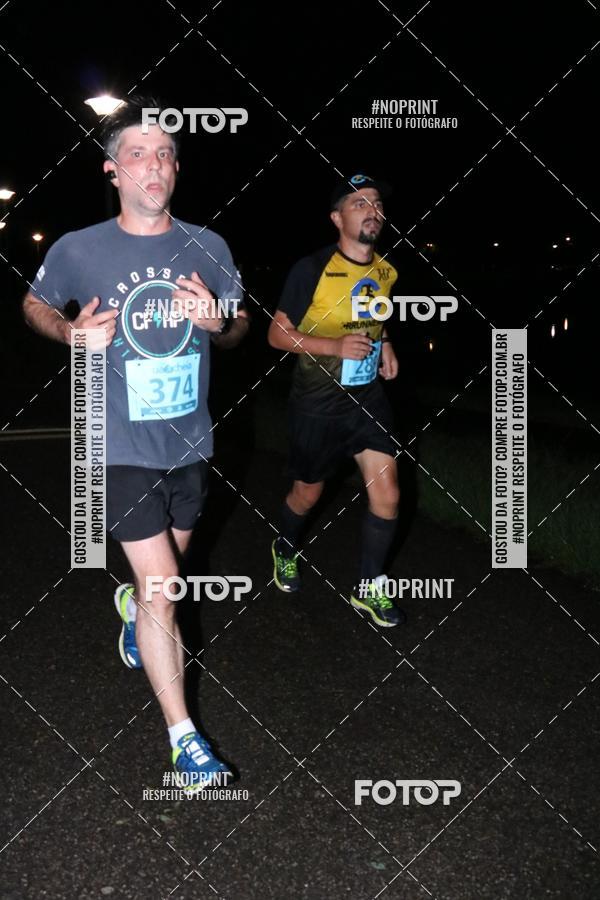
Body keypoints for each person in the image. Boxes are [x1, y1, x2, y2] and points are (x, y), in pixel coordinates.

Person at [23, 96, 249, 791]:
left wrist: (219, 324)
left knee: (162, 590)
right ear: (113, 171)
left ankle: (133, 616)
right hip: (114, 444)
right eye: (137, 155)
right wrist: (67, 332)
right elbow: (34, 303)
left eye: (164, 155)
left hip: (190, 444)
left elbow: (239, 329)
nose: (153, 165)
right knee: (166, 585)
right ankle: (185, 742)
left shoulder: (209, 247)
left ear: (175, 169)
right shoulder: (78, 248)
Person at [267, 173, 406, 626]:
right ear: (337, 217)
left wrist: (383, 343)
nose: (372, 210)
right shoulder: (311, 269)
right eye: (359, 203)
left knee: (387, 493)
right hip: (317, 402)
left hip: (367, 399)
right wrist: (334, 347)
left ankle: (369, 588)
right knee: (308, 494)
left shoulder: (385, 271)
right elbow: (276, 335)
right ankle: (284, 546)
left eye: (377, 202)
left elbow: (372, 317)